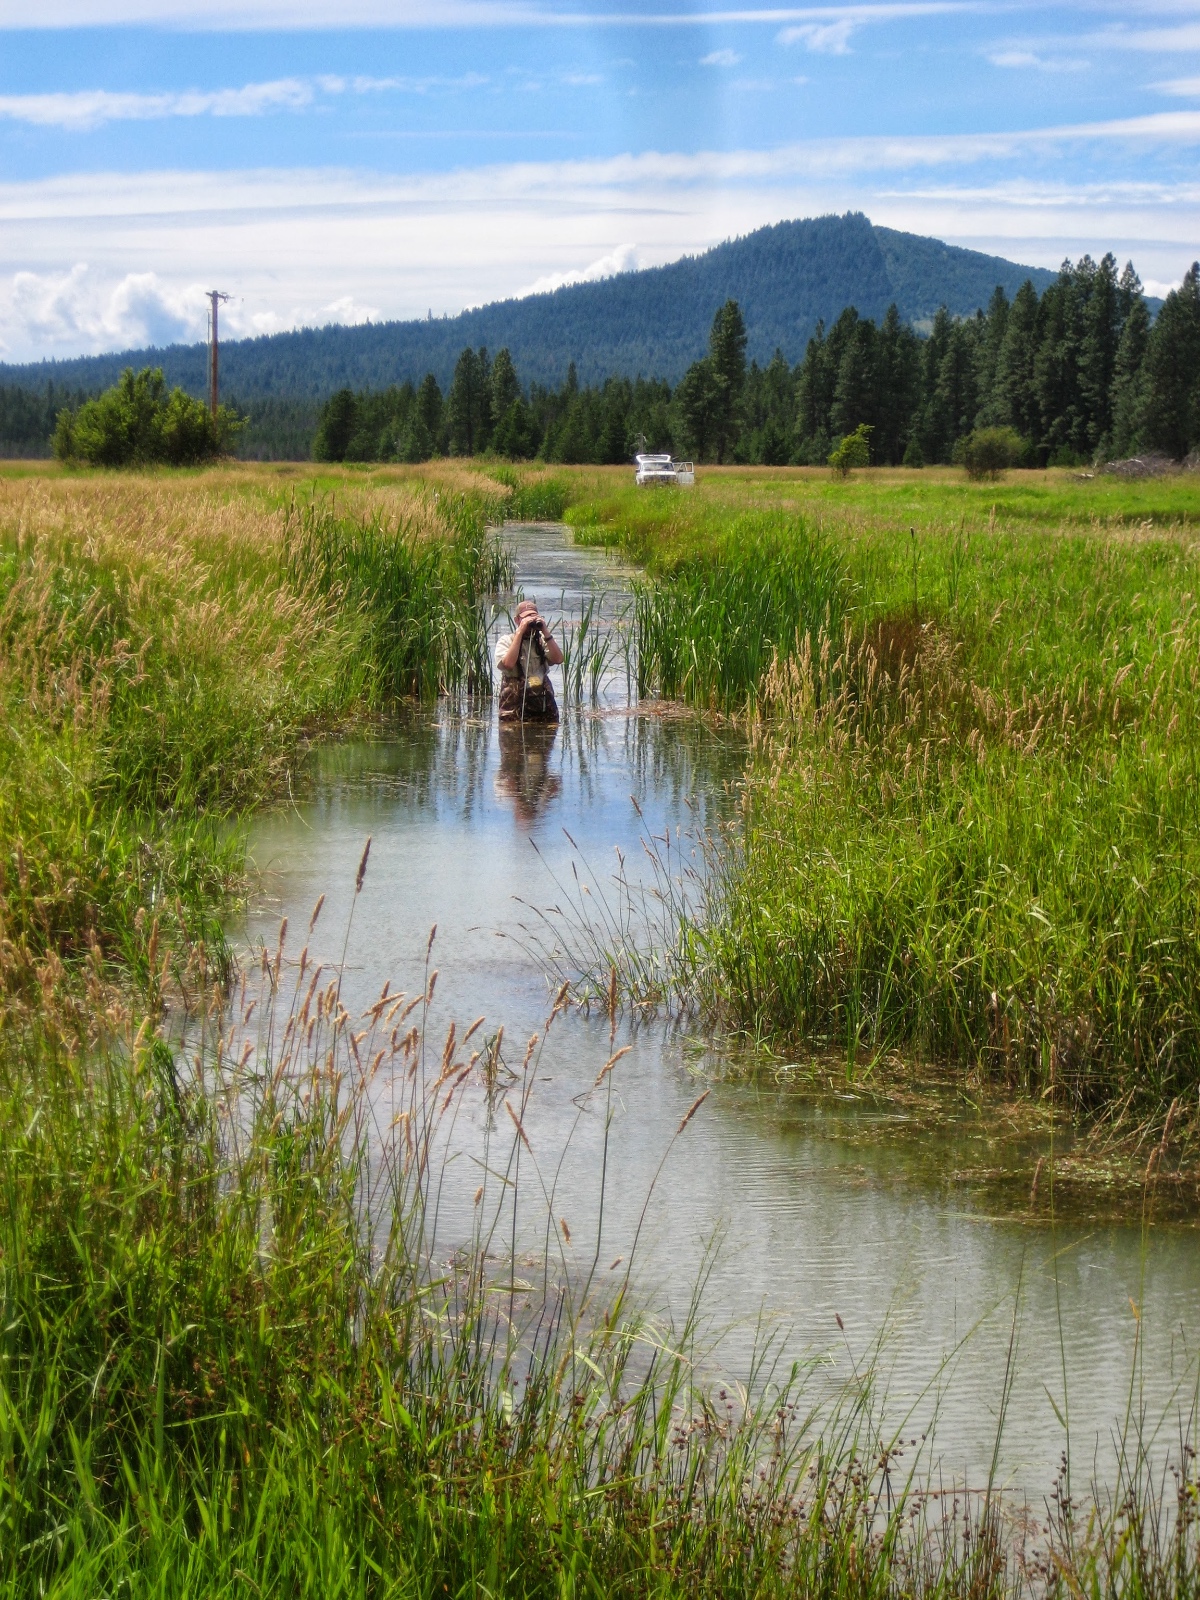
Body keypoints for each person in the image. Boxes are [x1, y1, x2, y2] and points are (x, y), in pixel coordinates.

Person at [494, 598, 563, 722]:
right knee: (512, 738)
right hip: (514, 704)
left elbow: (558, 659)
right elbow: (508, 664)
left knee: (546, 737)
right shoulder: (506, 641)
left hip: (542, 702)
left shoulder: (543, 640)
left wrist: (545, 631)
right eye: (526, 618)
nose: (530, 622)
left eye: (533, 617)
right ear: (517, 620)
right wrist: (520, 631)